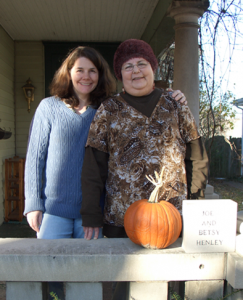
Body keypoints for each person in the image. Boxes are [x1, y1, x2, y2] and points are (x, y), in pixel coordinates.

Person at [80, 39, 209, 241]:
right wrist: (91, 215)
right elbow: (93, 168)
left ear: (153, 68)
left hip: (172, 218)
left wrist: (196, 204)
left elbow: (196, 158)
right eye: (128, 66)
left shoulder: (175, 105)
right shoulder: (109, 109)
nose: (136, 71)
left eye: (142, 64)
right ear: (120, 75)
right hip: (122, 220)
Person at [24, 46, 116, 299]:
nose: (86, 77)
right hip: (54, 212)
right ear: (68, 72)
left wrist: (173, 95)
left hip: (92, 213)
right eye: (80, 70)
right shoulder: (48, 107)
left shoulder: (108, 110)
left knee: (87, 280)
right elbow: (35, 158)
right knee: (48, 276)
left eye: (92, 71)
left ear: (100, 75)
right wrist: (33, 204)